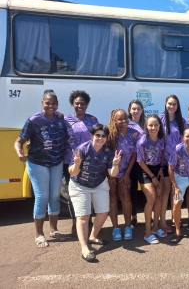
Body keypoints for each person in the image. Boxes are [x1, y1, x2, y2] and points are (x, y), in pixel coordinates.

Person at [14, 89, 74, 248]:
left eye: (54, 103)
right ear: (42, 103)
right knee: (42, 196)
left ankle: (54, 230)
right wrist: (19, 152)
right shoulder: (34, 120)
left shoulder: (60, 119)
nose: (51, 106)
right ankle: (39, 234)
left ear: (57, 104)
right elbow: (19, 140)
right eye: (48, 103)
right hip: (37, 162)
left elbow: (71, 135)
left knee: (54, 196)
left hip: (56, 162)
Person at [68, 124, 121, 262]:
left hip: (99, 183)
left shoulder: (108, 151)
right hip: (80, 186)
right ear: (92, 136)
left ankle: (93, 236)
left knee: (103, 212)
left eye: (103, 136)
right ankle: (85, 248)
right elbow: (72, 172)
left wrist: (115, 164)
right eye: (97, 135)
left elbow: (112, 174)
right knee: (83, 216)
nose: (100, 138)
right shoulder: (82, 149)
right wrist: (77, 163)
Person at [63, 90, 98, 236]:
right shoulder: (65, 120)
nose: (79, 106)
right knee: (74, 195)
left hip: (90, 162)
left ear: (87, 105)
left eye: (82, 103)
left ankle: (88, 222)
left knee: (89, 193)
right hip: (70, 161)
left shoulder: (93, 120)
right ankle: (75, 224)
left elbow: (98, 139)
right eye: (77, 103)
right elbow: (58, 137)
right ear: (72, 104)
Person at [107, 108, 140, 241]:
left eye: (125, 118)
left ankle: (127, 226)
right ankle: (115, 228)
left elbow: (134, 154)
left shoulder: (134, 133)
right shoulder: (109, 134)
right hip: (111, 171)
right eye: (120, 119)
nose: (123, 121)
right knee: (113, 197)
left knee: (126, 197)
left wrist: (126, 174)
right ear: (114, 121)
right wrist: (110, 175)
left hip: (125, 171)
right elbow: (106, 155)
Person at [136, 114, 166, 244]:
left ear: (160, 126)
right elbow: (141, 162)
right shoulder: (142, 142)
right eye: (150, 125)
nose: (153, 127)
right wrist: (153, 177)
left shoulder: (161, 139)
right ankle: (147, 232)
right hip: (144, 170)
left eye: (156, 125)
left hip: (156, 169)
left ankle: (155, 227)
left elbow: (163, 153)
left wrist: (159, 168)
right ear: (146, 127)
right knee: (152, 198)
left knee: (159, 197)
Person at [159, 95, 185, 233]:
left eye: (174, 104)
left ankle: (175, 219)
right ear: (165, 103)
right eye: (169, 103)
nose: (171, 106)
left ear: (177, 106)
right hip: (163, 162)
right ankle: (163, 221)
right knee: (166, 191)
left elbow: (184, 141)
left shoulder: (182, 121)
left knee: (175, 193)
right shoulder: (159, 119)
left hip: (178, 163)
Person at [127, 99, 146, 228]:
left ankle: (147, 216)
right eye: (133, 108)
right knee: (132, 189)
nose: (136, 111)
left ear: (142, 110)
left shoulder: (146, 124)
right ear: (130, 110)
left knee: (146, 189)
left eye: (138, 108)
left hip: (145, 162)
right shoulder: (126, 124)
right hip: (131, 161)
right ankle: (133, 217)